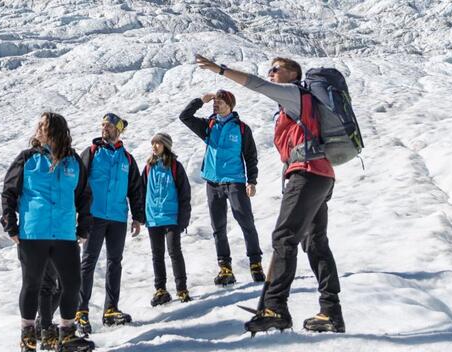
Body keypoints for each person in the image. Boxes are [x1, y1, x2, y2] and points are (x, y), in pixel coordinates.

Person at [194, 54, 346, 334]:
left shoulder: (294, 94)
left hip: (308, 173)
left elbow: (257, 84)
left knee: (283, 237)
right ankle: (330, 311)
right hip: (320, 175)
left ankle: (276, 307)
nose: (271, 73)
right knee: (315, 243)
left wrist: (220, 69)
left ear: (292, 74)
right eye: (270, 69)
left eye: (276, 69)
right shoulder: (296, 107)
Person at [1, 112, 97, 352]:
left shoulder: (73, 162)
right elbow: (9, 193)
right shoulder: (27, 159)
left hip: (65, 234)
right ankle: (28, 336)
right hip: (34, 233)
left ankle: (67, 335)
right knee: (32, 285)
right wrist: (10, 224)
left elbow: (84, 196)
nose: (39, 129)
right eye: (39, 125)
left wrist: (84, 227)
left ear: (55, 131)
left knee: (72, 284)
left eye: (43, 126)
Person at [178, 88, 265, 285]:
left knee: (245, 222)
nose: (216, 105)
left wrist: (252, 181)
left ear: (230, 105)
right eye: (215, 103)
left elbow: (250, 156)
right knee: (218, 227)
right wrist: (201, 100)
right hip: (213, 182)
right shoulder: (208, 125)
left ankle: (255, 263)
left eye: (220, 103)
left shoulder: (241, 128)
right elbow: (184, 117)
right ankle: (225, 268)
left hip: (235, 181)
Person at [74, 113, 145, 334]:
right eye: (103, 124)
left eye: (109, 125)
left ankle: (111, 310)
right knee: (88, 262)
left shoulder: (127, 159)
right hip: (94, 216)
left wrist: (138, 217)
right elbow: (79, 182)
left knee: (115, 262)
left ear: (118, 130)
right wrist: (77, 214)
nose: (104, 128)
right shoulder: (92, 152)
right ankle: (80, 311)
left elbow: (135, 189)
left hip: (117, 218)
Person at [140, 133, 193, 306]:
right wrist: (141, 215)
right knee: (157, 255)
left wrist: (183, 218)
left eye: (158, 143)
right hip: (153, 218)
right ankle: (160, 289)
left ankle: (181, 288)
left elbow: (184, 193)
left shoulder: (175, 166)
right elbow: (140, 192)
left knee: (174, 252)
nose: (154, 146)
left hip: (171, 218)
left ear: (166, 146)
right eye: (153, 143)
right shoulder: (148, 167)